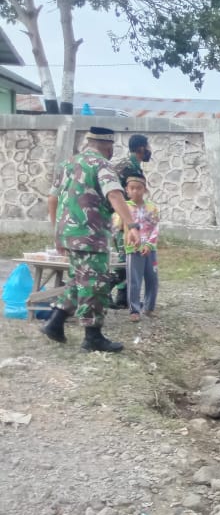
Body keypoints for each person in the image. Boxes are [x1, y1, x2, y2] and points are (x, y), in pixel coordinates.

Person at [40, 126, 141, 352]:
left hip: (68, 233)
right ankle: (92, 337)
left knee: (80, 279)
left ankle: (54, 323)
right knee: (95, 283)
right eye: (112, 147)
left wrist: (57, 231)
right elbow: (114, 194)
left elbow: (52, 199)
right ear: (107, 145)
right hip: (90, 234)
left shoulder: (68, 164)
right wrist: (132, 225)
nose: (112, 151)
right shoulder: (101, 164)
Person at [108, 134, 153, 309]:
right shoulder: (130, 170)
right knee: (127, 260)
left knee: (127, 257)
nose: (149, 150)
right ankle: (105, 290)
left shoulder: (126, 165)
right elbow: (127, 200)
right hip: (122, 221)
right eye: (147, 146)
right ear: (141, 148)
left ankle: (122, 297)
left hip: (120, 219)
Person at [122, 176, 160, 323]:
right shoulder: (124, 207)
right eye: (132, 188)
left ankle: (149, 307)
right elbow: (115, 225)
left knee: (152, 279)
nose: (135, 191)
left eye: (139, 188)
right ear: (127, 190)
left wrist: (150, 245)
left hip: (151, 250)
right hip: (133, 249)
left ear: (145, 190)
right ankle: (134, 310)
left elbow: (156, 227)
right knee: (134, 281)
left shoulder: (152, 208)